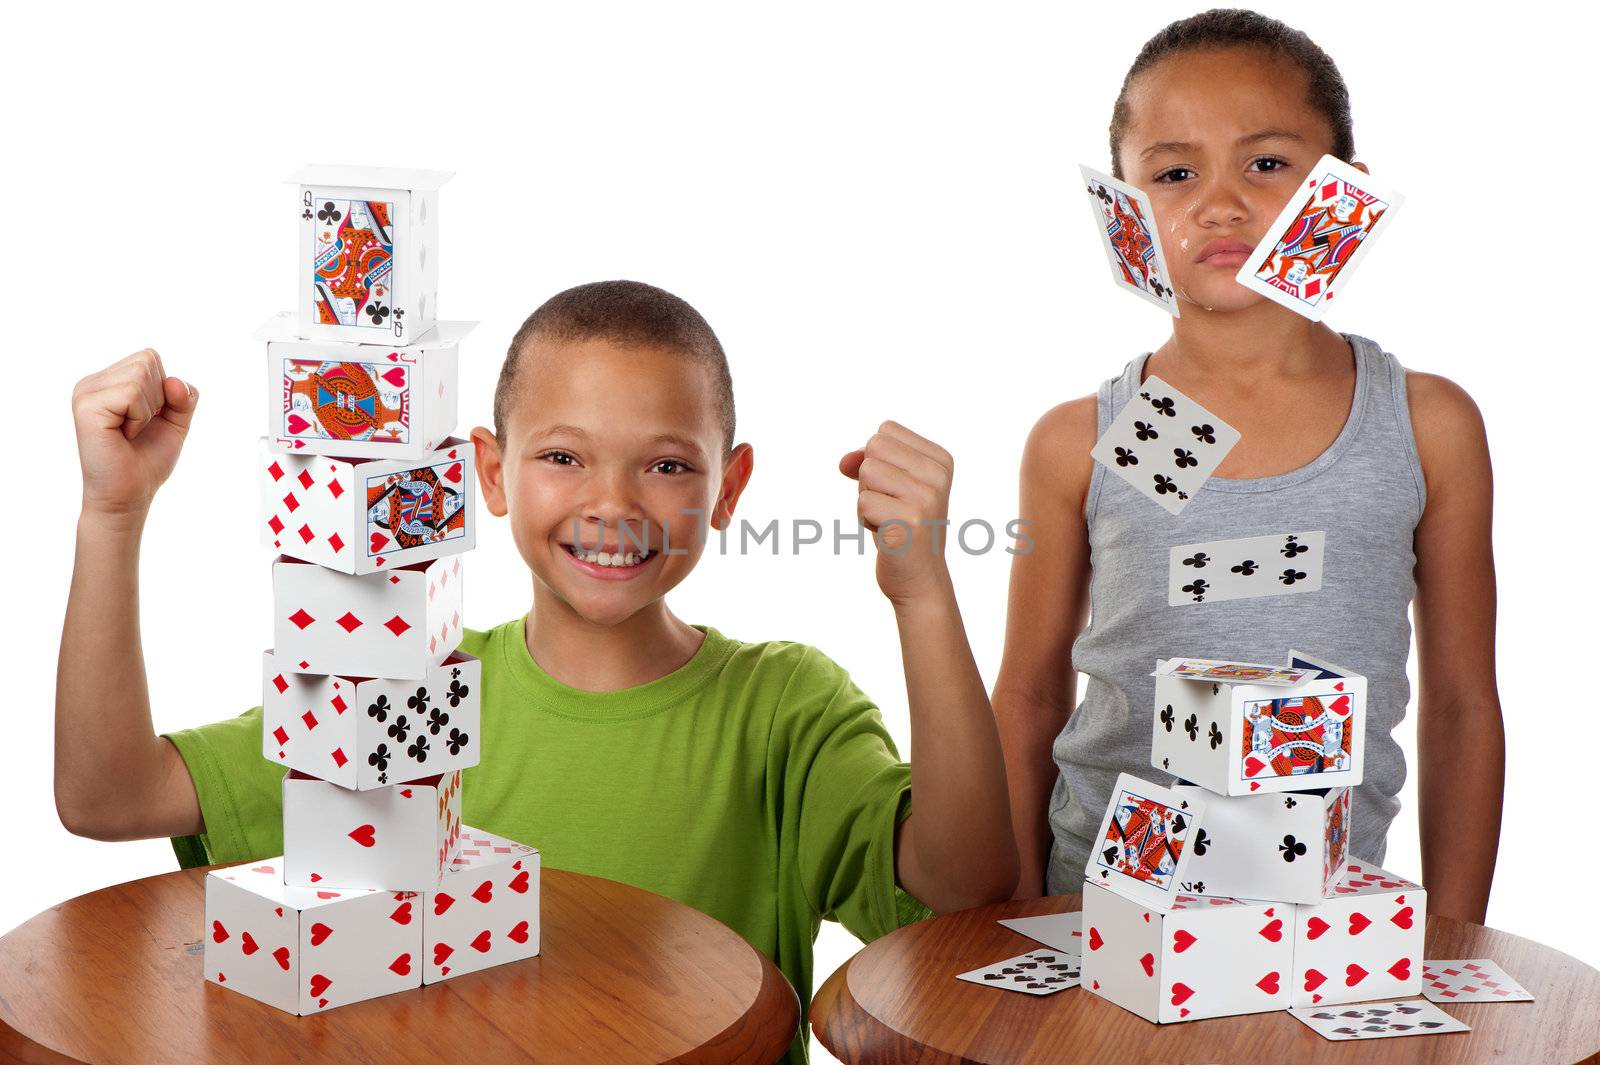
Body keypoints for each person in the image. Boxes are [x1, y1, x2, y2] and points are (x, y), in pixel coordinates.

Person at [57, 280, 1018, 1063]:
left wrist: (922, 592)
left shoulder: (783, 706)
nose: (612, 503)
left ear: (730, 489)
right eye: (563, 455)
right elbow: (107, 794)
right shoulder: (404, 683)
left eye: (669, 467)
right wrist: (113, 516)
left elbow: (967, 882)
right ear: (490, 469)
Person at [992, 9, 1503, 922]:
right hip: (1099, 903)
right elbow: (1029, 692)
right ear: (1123, 213)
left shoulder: (1429, 423)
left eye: (1265, 164)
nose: (1219, 203)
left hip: (1327, 914)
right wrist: (1020, 905)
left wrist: (1455, 937)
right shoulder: (1081, 441)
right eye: (1175, 172)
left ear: (1343, 191)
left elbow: (1464, 702)